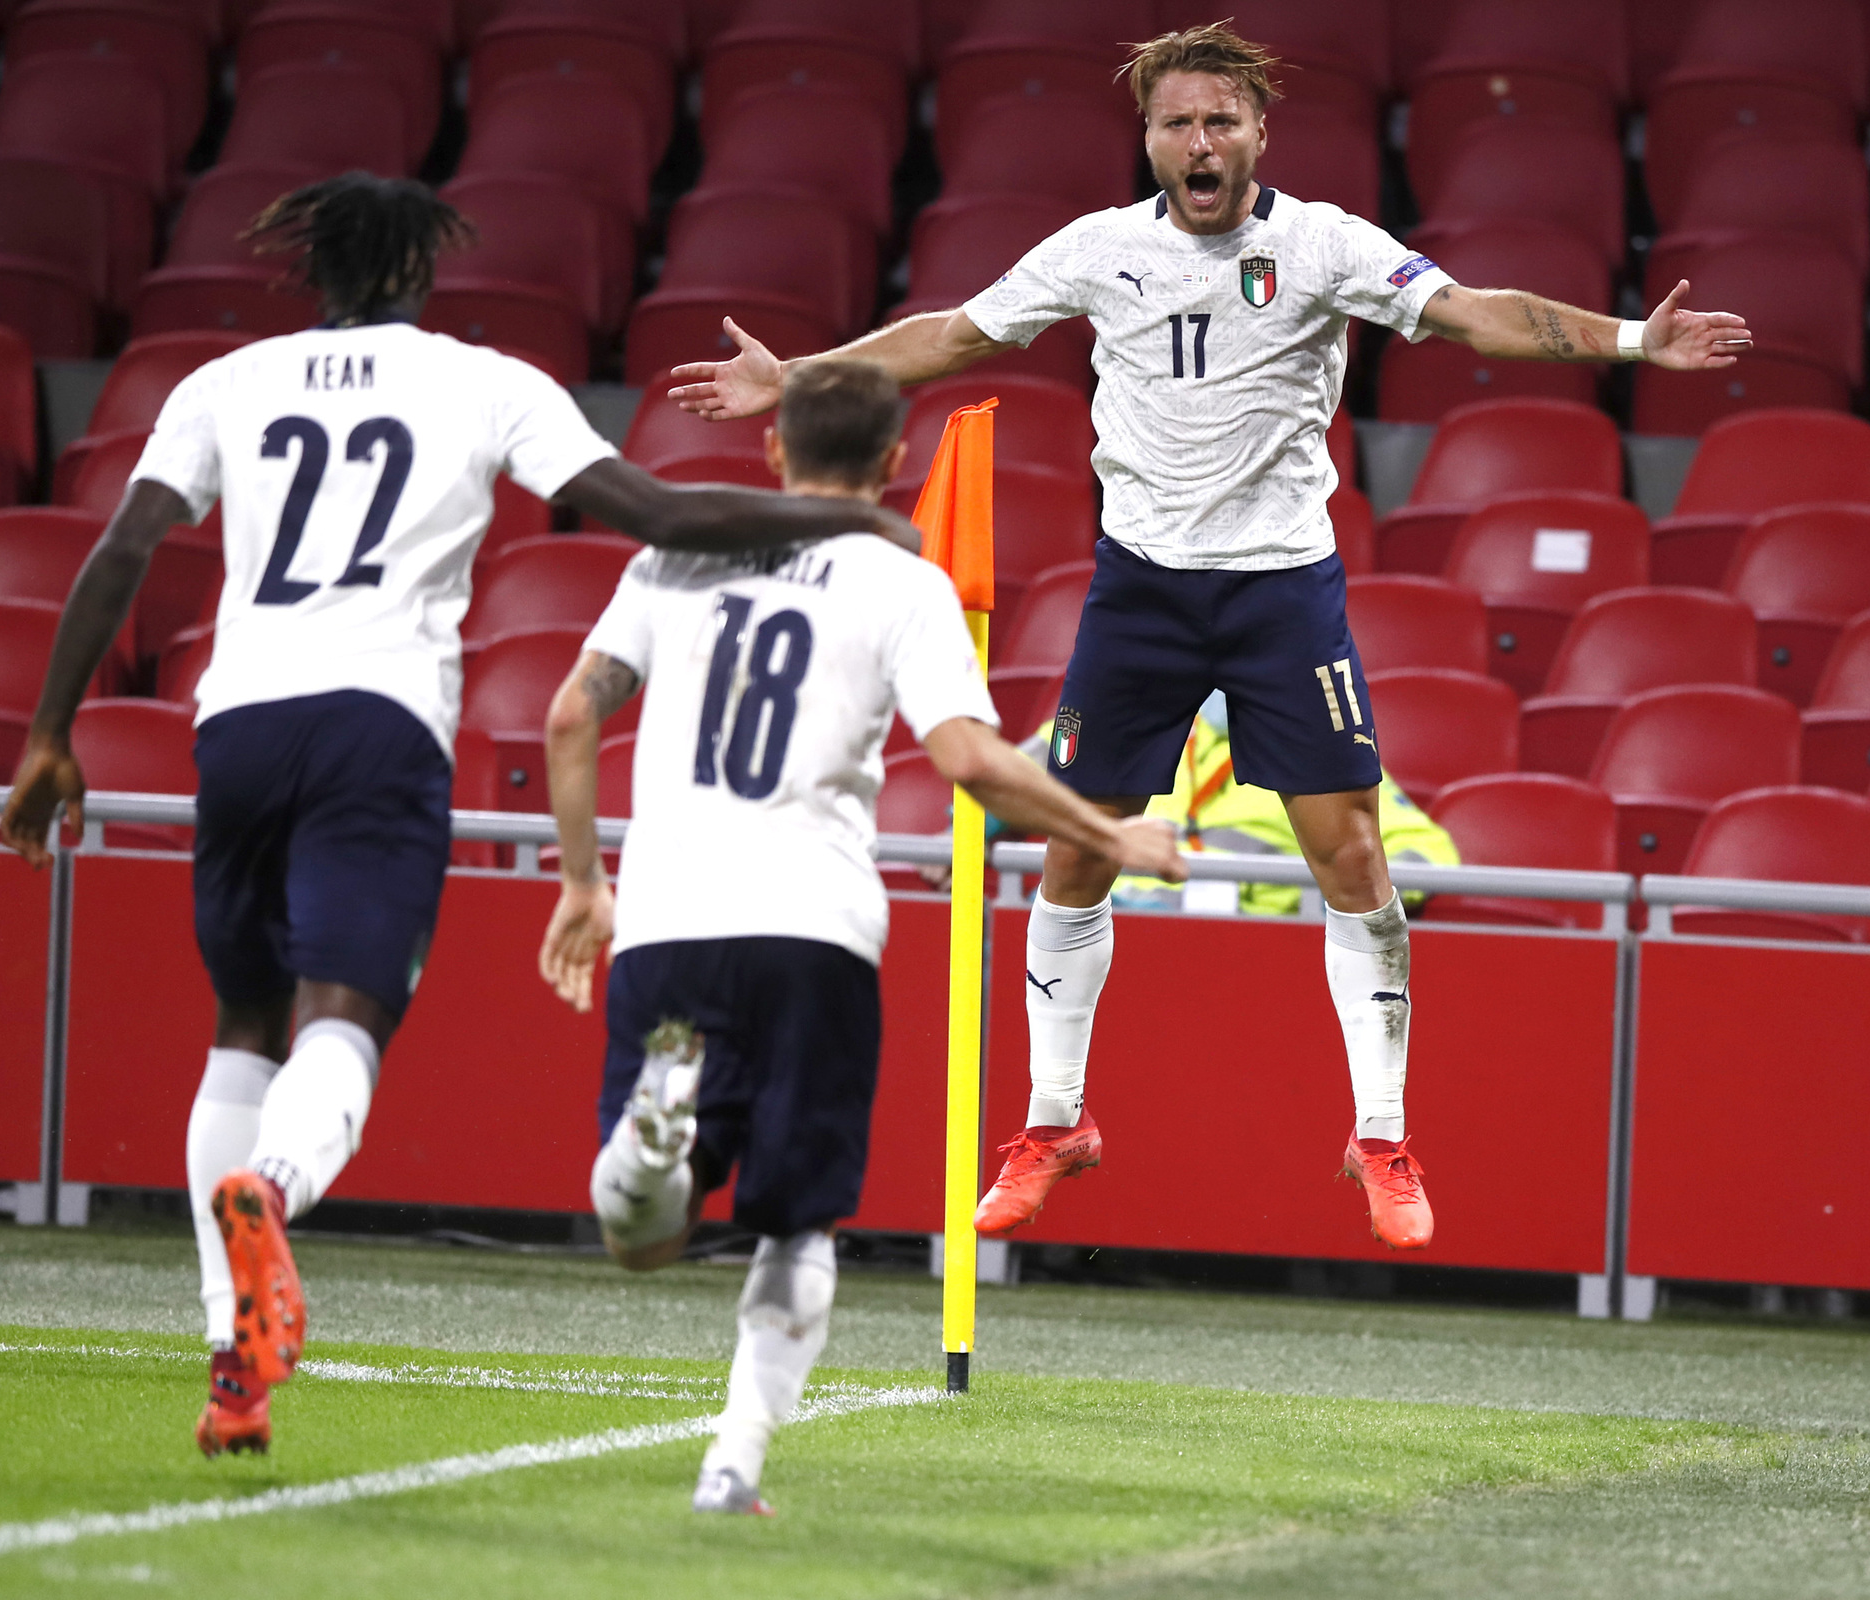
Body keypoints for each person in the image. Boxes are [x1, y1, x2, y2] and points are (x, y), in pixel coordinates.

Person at [668, 23, 1755, 1252]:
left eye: (1222, 122)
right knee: (1075, 852)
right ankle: (1054, 1123)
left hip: (1282, 592)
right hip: (1140, 593)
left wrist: (1628, 341)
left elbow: (1466, 313)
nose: (1202, 142)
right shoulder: (1098, 250)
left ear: (1257, 136)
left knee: (1351, 858)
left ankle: (1382, 1134)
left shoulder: (1324, 244)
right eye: (1180, 123)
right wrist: (798, 375)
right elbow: (954, 334)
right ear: (1150, 139)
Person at [0, 175, 935, 1461]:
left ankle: (234, 1355)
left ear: (312, 272)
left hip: (238, 719)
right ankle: (271, 1192)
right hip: (377, 725)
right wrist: (843, 519)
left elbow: (121, 546)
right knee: (346, 1018)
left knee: (243, 1024)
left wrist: (51, 729)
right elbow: (652, 515)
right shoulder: (482, 379)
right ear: (421, 273)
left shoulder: (226, 379)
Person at [537, 360, 1187, 1515]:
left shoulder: (670, 552)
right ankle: (732, 1466)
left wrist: (585, 881)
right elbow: (972, 761)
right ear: (894, 464)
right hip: (812, 928)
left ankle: (652, 1146)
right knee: (797, 1223)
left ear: (774, 451)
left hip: (668, 915)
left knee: (641, 1234)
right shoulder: (903, 580)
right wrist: (1112, 836)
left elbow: (571, 710)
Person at [1099, 693, 1458, 917]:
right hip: (1123, 926)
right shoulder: (1136, 727)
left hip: (1253, 942)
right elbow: (1047, 781)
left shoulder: (1328, 754)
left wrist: (1341, 897)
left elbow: (1428, 852)